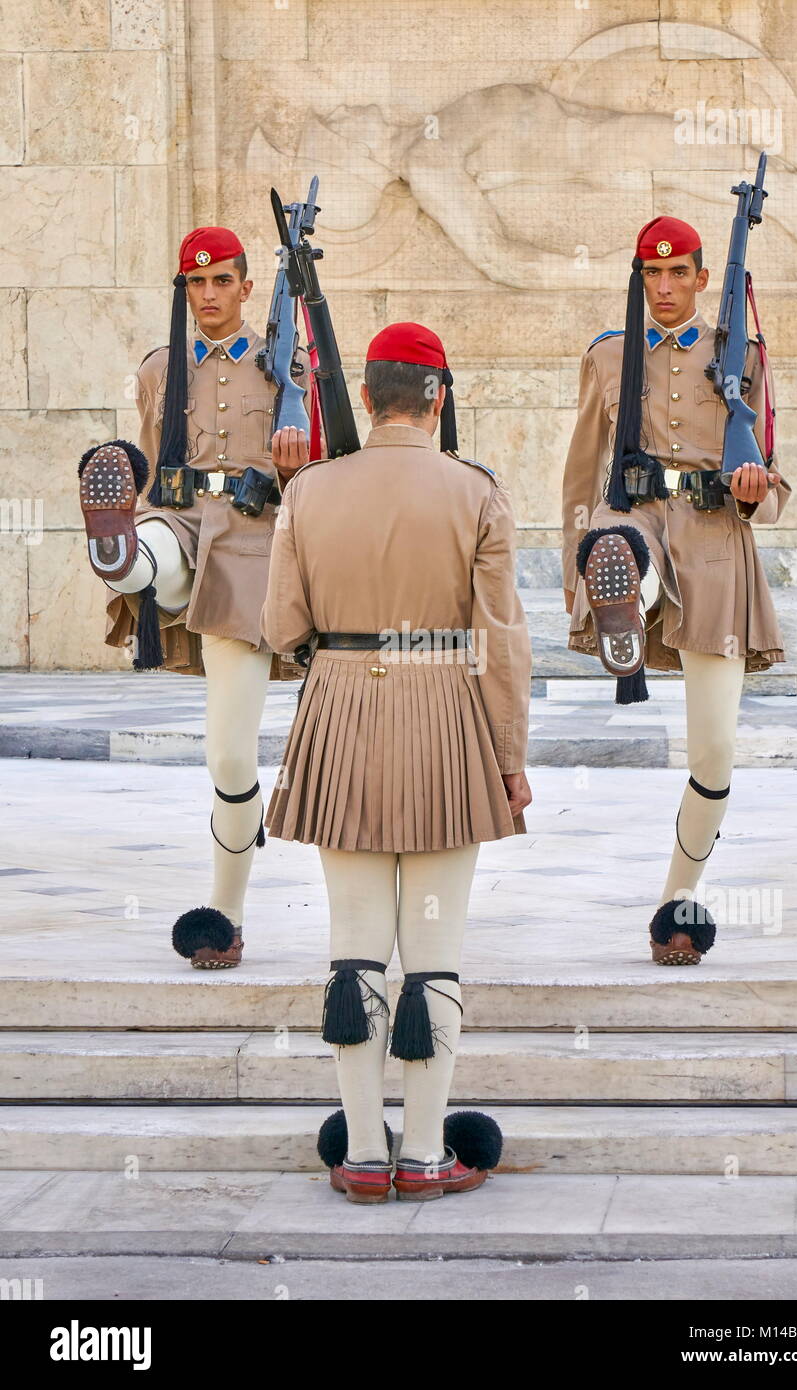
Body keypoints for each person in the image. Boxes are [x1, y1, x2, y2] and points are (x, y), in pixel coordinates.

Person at [262, 322, 532, 1202]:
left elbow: (280, 629)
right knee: (435, 952)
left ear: (368, 400)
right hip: (446, 709)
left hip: (339, 710)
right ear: (438, 399)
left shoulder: (308, 491)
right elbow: (501, 642)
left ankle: (364, 1158)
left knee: (354, 952)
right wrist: (508, 756)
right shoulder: (477, 493)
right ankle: (425, 1156)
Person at [561, 215, 792, 967]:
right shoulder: (608, 356)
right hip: (633, 516)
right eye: (651, 274)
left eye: (678, 273)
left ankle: (675, 900)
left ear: (700, 278)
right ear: (639, 278)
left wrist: (755, 490)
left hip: (716, 538)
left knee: (715, 754)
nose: (664, 288)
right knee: (623, 543)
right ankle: (618, 585)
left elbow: (778, 480)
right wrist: (578, 566)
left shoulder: (741, 356)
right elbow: (580, 472)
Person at [77, 226, 309, 969]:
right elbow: (150, 469)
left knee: (229, 759)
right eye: (195, 284)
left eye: (222, 282)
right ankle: (119, 557)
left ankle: (227, 912)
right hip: (173, 524)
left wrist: (291, 464)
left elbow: (320, 487)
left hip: (247, 552)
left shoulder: (287, 373)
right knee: (153, 550)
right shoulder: (157, 371)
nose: (207, 295)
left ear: (246, 289)